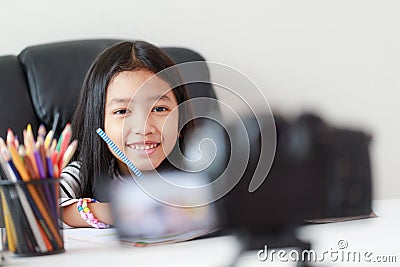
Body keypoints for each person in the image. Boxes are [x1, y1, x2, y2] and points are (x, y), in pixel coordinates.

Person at [60, 40, 194, 228]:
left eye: (160, 108)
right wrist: (121, 211)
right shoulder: (82, 174)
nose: (144, 127)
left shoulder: (199, 172)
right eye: (122, 111)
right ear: (99, 123)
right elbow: (43, 208)